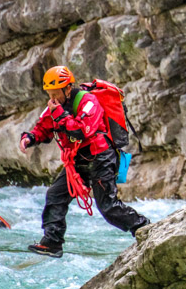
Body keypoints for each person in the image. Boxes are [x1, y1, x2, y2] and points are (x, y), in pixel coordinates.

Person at [19, 66, 150, 258]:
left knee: (108, 206)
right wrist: (30, 138)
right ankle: (52, 243)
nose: (53, 97)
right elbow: (44, 126)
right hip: (77, 160)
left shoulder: (89, 102)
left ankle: (144, 228)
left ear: (68, 88)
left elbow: (82, 130)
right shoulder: (54, 107)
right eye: (50, 93)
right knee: (55, 195)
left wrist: (60, 116)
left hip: (101, 158)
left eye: (56, 92)